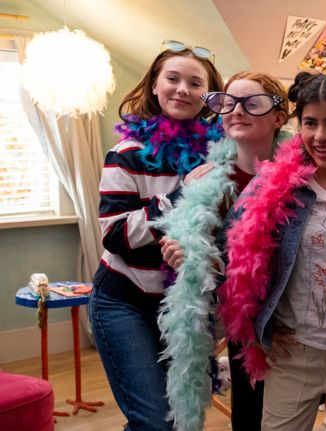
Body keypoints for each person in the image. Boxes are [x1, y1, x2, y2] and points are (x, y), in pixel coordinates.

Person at [217, 72, 326, 431]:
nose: (320, 136)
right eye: (310, 123)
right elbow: (233, 252)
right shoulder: (271, 185)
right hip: (292, 353)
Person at [90, 41, 223, 431]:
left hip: (182, 306)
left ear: (209, 97)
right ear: (153, 85)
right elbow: (114, 234)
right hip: (123, 301)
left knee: (181, 418)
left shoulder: (217, 157)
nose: (182, 89)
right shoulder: (127, 152)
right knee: (152, 420)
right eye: (173, 78)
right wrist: (180, 194)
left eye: (195, 83)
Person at [155, 72, 290, 431]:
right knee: (248, 417)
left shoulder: (303, 173)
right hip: (243, 322)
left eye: (252, 103)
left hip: (294, 324)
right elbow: (214, 263)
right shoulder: (209, 183)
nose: (236, 111)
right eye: (228, 103)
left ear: (279, 116)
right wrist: (190, 257)